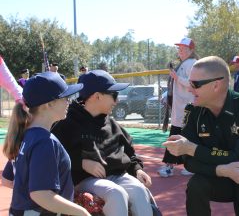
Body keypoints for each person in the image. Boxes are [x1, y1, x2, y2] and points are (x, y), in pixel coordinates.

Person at [163, 56, 239, 216]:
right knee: (197, 184)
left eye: (195, 84)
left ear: (216, 85)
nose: (189, 89)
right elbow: (188, 162)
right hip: (219, 177)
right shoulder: (193, 111)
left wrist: (192, 149)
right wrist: (220, 170)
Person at [51, 70, 154, 216]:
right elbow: (53, 156)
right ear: (97, 96)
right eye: (114, 95)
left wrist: (137, 169)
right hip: (85, 179)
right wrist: (81, 162)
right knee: (116, 194)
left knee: (139, 191)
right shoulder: (67, 123)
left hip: (116, 176)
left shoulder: (111, 124)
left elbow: (129, 153)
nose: (116, 101)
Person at [2, 72, 90, 215]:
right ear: (49, 104)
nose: (69, 102)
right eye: (65, 97)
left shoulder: (26, 136)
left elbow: (7, 180)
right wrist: (81, 212)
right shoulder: (45, 141)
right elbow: (40, 194)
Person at [158, 37, 199, 178]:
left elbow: (193, 84)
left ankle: (170, 167)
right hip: (180, 109)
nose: (180, 51)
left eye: (183, 49)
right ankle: (188, 166)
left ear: (191, 50)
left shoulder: (192, 63)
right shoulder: (185, 63)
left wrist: (177, 78)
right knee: (185, 136)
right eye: (179, 48)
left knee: (177, 136)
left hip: (186, 109)